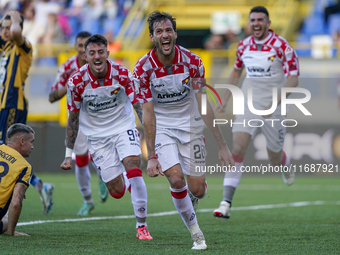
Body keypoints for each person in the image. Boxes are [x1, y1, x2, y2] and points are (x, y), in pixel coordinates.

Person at [133, 11, 234, 250]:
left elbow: (203, 103)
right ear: (152, 37)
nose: (165, 35)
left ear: (175, 34)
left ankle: (193, 199)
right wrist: (152, 155)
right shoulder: (142, 68)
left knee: (197, 189)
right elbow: (147, 113)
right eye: (159, 31)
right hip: (163, 128)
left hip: (191, 127)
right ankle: (196, 234)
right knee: (177, 180)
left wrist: (222, 145)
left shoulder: (193, 61)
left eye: (168, 30)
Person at [60, 34, 152, 240]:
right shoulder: (76, 82)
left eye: (101, 52)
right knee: (117, 191)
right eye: (92, 53)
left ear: (107, 54)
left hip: (123, 128)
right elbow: (73, 119)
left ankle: (142, 226)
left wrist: (152, 142)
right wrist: (68, 154)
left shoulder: (122, 74)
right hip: (98, 138)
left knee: (133, 166)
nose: (97, 57)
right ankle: (120, 178)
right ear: (85, 56)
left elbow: (138, 107)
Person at [213, 6, 299, 219]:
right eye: (253, 20)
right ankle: (225, 203)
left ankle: (284, 164)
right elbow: (236, 71)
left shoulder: (282, 47)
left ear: (268, 23)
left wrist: (274, 104)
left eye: (260, 20)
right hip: (248, 103)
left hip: (275, 107)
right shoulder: (243, 46)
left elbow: (293, 79)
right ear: (249, 24)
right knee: (238, 147)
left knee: (273, 156)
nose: (256, 23)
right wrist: (225, 99)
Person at [49, 31, 109, 216]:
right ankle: (87, 200)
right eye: (81, 45)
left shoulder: (103, 66)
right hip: (77, 117)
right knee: (81, 159)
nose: (84, 49)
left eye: (87, 45)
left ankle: (103, 177)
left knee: (102, 152)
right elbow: (52, 96)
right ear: (76, 47)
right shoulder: (68, 67)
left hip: (100, 114)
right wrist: (71, 85)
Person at [0, 11, 54, 214]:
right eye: (2, 28)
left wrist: (14, 16)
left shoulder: (24, 46)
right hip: (4, 105)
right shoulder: (5, 47)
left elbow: (15, 31)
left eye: (8, 28)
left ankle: (13, 201)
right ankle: (41, 186)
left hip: (14, 105)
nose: (5, 31)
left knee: (7, 154)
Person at [0, 123, 35, 236]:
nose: (32, 146)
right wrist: (11, 233)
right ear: (22, 142)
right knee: (5, 219)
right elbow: (16, 203)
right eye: (31, 142)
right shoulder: (25, 166)